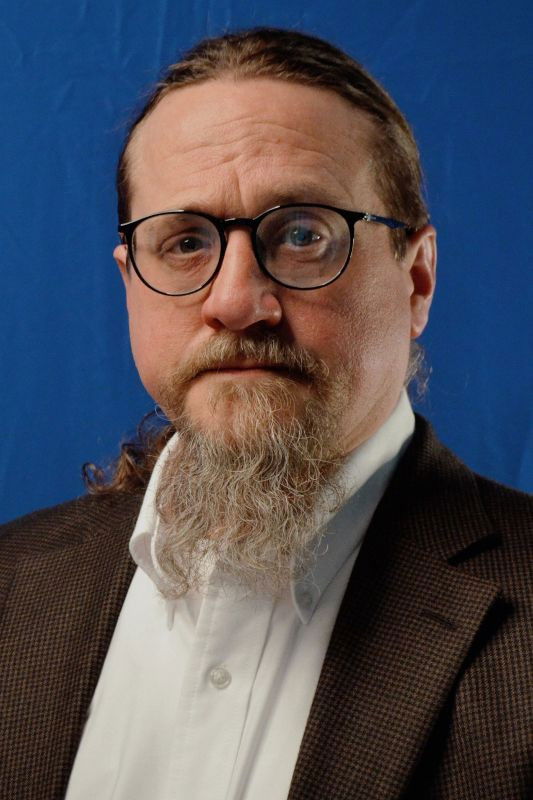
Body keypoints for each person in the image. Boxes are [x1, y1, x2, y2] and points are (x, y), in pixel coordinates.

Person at [0, 27, 531, 800]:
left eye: (303, 235)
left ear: (416, 280)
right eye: (185, 242)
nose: (235, 302)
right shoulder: (11, 588)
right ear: (130, 282)